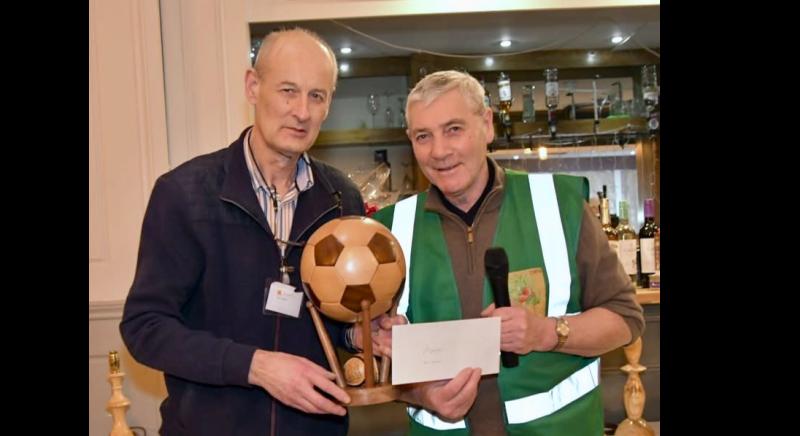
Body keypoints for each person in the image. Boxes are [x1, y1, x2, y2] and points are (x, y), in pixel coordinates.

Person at [368, 70, 645, 435]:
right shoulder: (387, 231)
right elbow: (366, 361)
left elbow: (625, 319)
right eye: (424, 136)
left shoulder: (558, 204)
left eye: (454, 129)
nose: (439, 151)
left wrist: (546, 332)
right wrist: (415, 389)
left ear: (486, 125)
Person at [119, 28, 365, 436]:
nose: (302, 111)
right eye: (288, 90)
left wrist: (361, 335)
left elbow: (335, 320)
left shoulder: (341, 199)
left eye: (316, 96)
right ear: (253, 86)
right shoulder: (184, 194)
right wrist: (256, 366)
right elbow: (145, 326)